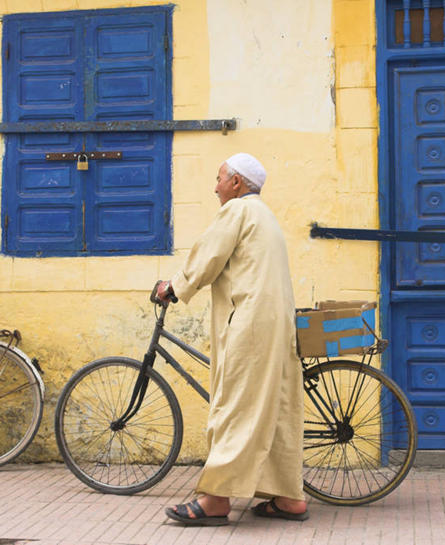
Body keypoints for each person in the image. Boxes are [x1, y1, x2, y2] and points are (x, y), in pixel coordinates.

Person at [156, 153, 308, 526]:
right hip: (277, 324)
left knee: (235, 408)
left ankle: (216, 500)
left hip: (251, 324)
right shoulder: (265, 215)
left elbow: (208, 255)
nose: (215, 186)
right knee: (275, 410)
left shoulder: (237, 213)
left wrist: (173, 287)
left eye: (220, 178)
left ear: (237, 183)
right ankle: (289, 499)